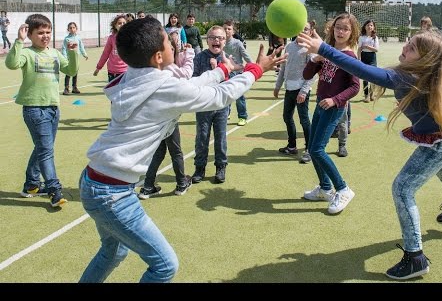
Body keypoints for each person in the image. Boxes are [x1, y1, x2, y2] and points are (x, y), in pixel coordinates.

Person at [78, 17, 286, 283]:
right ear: (157, 56)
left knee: (114, 251)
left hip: (94, 179)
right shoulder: (162, 86)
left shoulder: (137, 76)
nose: (175, 44)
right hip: (112, 194)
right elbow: (218, 97)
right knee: (164, 266)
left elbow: (190, 85)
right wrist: (256, 70)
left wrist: (223, 70)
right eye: (168, 41)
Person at [297, 28, 442, 280]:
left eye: (411, 48)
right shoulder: (419, 73)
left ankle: (415, 258)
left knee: (403, 189)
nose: (404, 48)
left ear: (424, 59)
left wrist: (323, 49)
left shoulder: (409, 76)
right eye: (407, 43)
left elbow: (363, 71)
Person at [5, 13, 79, 207]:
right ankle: (54, 189)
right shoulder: (28, 53)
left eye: (48, 32)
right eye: (40, 33)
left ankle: (31, 185)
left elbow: (71, 71)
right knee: (46, 150)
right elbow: (11, 63)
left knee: (43, 148)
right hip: (34, 109)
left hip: (53, 109)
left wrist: (72, 52)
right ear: (29, 34)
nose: (45, 36)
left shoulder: (54, 53)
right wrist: (19, 42)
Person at [301, 12, 360, 212]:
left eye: (346, 28)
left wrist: (335, 100)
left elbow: (355, 87)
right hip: (319, 105)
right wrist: (316, 59)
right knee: (312, 147)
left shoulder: (349, 56)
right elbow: (307, 74)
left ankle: (342, 188)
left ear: (352, 33)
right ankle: (325, 188)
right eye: (338, 27)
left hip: (333, 108)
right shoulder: (327, 51)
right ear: (332, 29)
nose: (341, 31)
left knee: (317, 149)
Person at [138, 30, 195, 199]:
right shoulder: (167, 67)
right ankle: (181, 183)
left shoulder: (153, 64)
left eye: (174, 45)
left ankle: (148, 186)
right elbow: (184, 74)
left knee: (159, 151)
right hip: (167, 116)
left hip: (156, 115)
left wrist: (183, 54)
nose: (173, 48)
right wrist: (190, 54)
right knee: (175, 151)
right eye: (170, 46)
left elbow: (179, 68)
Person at [190, 26, 243, 184]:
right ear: (207, 41)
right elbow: (194, 80)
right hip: (204, 106)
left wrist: (217, 68)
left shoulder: (229, 58)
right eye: (213, 38)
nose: (216, 40)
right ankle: (200, 168)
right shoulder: (199, 57)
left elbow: (233, 82)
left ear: (224, 41)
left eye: (220, 38)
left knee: (220, 138)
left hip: (222, 106)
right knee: (202, 137)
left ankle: (221, 167)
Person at [274, 22, 316, 164]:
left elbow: (312, 74)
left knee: (304, 120)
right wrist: (277, 86)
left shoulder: (310, 50)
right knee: (287, 116)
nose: (302, 31)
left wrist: (304, 91)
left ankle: (309, 149)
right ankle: (292, 146)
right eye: (299, 28)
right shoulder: (289, 46)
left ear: (310, 32)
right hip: (289, 88)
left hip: (301, 90)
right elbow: (283, 68)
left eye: (306, 29)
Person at [223, 19, 253, 127]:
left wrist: (253, 67)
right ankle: (226, 114)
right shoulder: (220, 43)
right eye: (225, 28)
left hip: (237, 73)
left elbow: (246, 56)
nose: (226, 30)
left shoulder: (238, 43)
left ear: (233, 31)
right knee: (226, 95)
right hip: (225, 72)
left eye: (229, 29)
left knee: (239, 97)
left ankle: (242, 116)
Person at [93, 14, 128, 82]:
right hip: (112, 71)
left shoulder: (130, 38)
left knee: (124, 91)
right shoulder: (111, 38)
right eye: (119, 23)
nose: (122, 24)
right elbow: (105, 54)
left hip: (125, 71)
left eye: (124, 23)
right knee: (113, 92)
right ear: (115, 26)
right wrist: (98, 68)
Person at [62, 22, 88, 95]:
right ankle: (66, 88)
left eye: (73, 27)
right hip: (69, 58)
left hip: (76, 58)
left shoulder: (78, 38)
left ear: (76, 29)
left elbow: (81, 47)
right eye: (70, 28)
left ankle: (74, 88)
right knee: (68, 73)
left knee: (75, 73)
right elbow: (64, 48)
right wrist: (64, 57)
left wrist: (85, 54)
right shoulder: (66, 39)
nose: (72, 29)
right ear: (68, 29)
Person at [357, 19, 380, 103]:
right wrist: (359, 58)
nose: (369, 27)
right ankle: (366, 96)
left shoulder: (375, 38)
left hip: (372, 58)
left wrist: (367, 46)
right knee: (365, 78)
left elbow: (376, 49)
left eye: (371, 25)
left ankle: (372, 94)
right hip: (364, 57)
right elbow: (359, 48)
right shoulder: (361, 37)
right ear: (365, 27)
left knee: (373, 77)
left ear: (373, 27)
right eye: (368, 25)